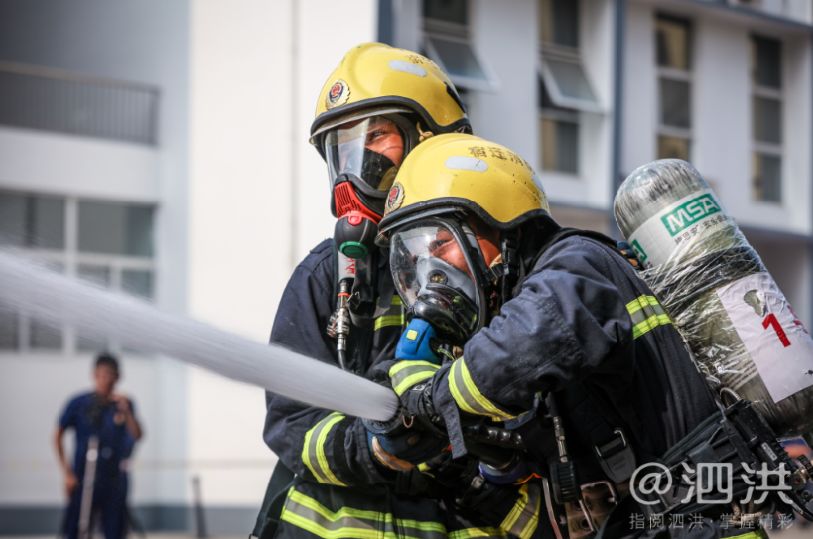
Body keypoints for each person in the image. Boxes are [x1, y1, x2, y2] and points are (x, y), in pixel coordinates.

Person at [376, 133, 773, 538]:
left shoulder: (575, 266)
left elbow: (517, 352)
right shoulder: (546, 295)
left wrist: (426, 395)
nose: (431, 274)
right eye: (416, 259)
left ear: (500, 224)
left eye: (440, 245)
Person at [255, 43, 535, 539]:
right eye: (339, 147)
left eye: (375, 135)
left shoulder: (491, 265)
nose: (353, 167)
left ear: (431, 139)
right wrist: (374, 447)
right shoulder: (327, 273)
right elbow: (290, 421)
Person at [55, 352, 143, 539]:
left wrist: (126, 412)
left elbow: (137, 435)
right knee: (77, 528)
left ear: (118, 377)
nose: (106, 380)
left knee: (115, 530)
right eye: (102, 375)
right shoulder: (79, 403)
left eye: (111, 375)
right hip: (83, 476)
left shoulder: (124, 405)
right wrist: (67, 474)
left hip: (113, 479)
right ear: (94, 375)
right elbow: (57, 436)